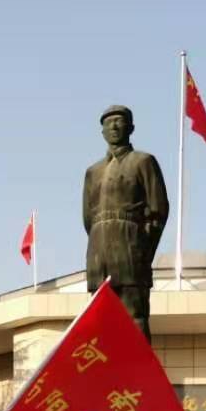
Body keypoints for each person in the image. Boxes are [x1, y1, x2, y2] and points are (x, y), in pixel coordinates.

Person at [81, 104, 170, 339]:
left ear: (130, 127)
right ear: (101, 131)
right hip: (99, 252)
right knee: (100, 318)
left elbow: (158, 211)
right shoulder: (93, 172)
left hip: (130, 248)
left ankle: (138, 372)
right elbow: (88, 218)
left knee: (135, 316)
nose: (114, 126)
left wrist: (141, 247)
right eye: (108, 123)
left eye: (119, 121)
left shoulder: (143, 161)